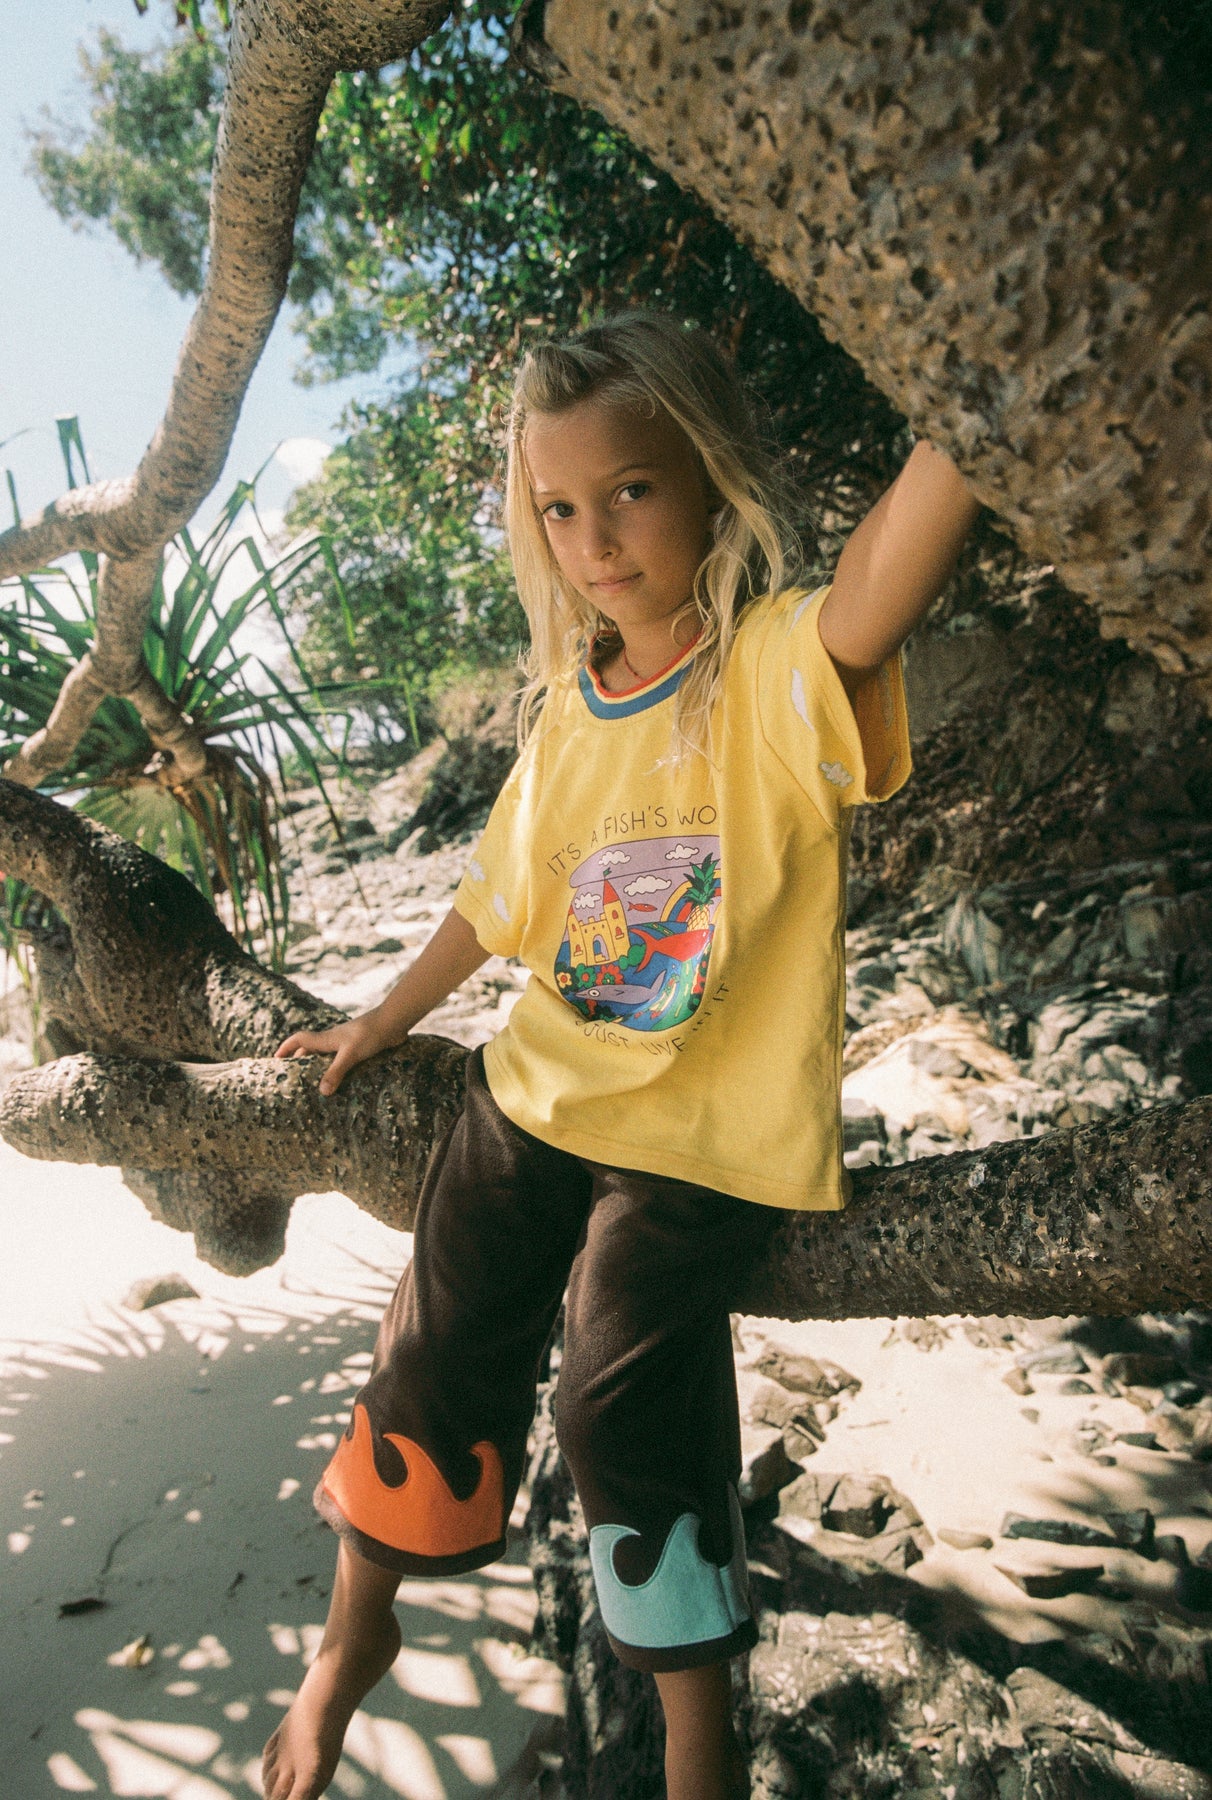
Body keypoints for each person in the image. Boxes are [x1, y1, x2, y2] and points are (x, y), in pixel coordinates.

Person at [261, 310, 980, 1800]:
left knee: (613, 1400)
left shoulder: (771, 671)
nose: (594, 539)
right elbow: (492, 901)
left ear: (710, 481)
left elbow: (871, 595)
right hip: (533, 1093)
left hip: (702, 1136)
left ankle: (700, 1756)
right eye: (559, 508)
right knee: (432, 1343)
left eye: (632, 491)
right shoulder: (571, 713)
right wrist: (386, 1018)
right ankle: (352, 1633)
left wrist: (981, 407)